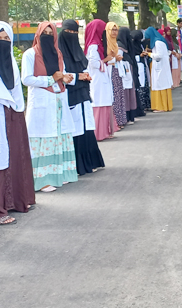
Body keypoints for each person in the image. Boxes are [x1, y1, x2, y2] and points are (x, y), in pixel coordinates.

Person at [0, 21, 35, 225]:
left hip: (13, 113)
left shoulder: (10, 61)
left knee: (16, 156)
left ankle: (18, 200)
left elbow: (15, 90)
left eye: (6, 39)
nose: (3, 42)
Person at [22, 22, 78, 192]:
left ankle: (58, 174)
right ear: (38, 35)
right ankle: (43, 180)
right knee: (44, 138)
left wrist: (65, 78)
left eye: (50, 33)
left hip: (58, 99)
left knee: (58, 137)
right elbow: (26, 79)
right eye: (44, 33)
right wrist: (50, 79)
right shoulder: (30, 54)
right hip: (42, 101)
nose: (47, 36)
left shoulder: (58, 53)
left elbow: (62, 72)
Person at [58, 19, 106, 176]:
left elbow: (84, 66)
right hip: (70, 94)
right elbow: (62, 75)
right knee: (76, 130)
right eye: (69, 32)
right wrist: (79, 76)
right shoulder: (59, 53)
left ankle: (90, 162)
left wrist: (84, 76)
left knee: (86, 128)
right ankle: (78, 166)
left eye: (75, 32)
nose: (71, 35)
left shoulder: (78, 50)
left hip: (83, 93)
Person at [85, 19, 118, 141]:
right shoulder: (93, 45)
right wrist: (106, 59)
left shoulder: (99, 44)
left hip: (102, 76)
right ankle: (98, 133)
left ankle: (105, 131)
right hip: (97, 77)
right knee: (99, 103)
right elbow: (93, 63)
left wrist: (110, 58)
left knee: (105, 103)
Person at [146, 27, 174, 112]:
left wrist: (149, 54)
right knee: (162, 84)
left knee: (159, 84)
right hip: (162, 66)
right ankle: (165, 105)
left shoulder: (157, 42)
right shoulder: (161, 41)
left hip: (160, 66)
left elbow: (159, 55)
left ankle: (161, 106)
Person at [106, 22, 127, 129]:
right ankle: (115, 121)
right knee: (114, 95)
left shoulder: (116, 44)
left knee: (119, 95)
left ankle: (121, 119)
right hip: (110, 72)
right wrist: (115, 59)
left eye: (116, 30)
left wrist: (116, 59)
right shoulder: (105, 44)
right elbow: (104, 60)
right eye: (112, 30)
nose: (114, 32)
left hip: (117, 71)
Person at [117, 27, 140, 124]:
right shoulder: (122, 45)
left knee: (127, 93)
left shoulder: (120, 45)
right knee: (128, 93)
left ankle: (127, 116)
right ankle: (130, 115)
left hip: (125, 71)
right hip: (127, 70)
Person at [131, 29, 151, 113]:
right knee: (141, 85)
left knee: (145, 84)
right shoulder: (132, 45)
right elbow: (132, 57)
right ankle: (141, 105)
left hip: (143, 65)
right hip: (138, 65)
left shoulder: (140, 45)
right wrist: (140, 55)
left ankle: (146, 104)